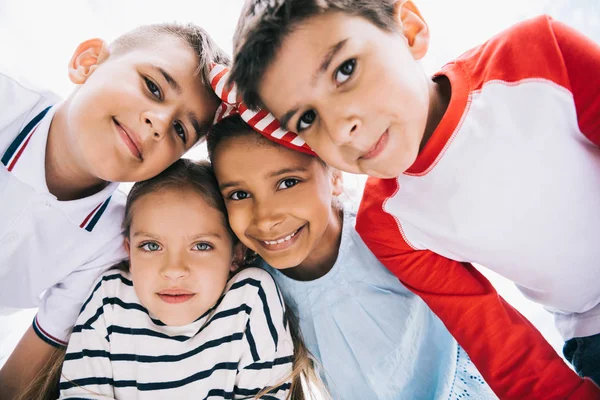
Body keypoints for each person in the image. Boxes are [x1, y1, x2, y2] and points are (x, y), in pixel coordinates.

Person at [225, 1, 600, 398]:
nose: (340, 128)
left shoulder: (537, 53)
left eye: (345, 70)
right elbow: (501, 346)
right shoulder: (388, 224)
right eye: (306, 119)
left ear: (408, 29)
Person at [0, 22, 228, 397]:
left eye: (180, 131)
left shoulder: (111, 242)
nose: (159, 123)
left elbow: (16, 383)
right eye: (153, 87)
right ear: (88, 63)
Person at [207, 114, 497, 399]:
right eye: (239, 195)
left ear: (334, 175)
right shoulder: (253, 286)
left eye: (288, 183)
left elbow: (480, 313)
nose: (266, 218)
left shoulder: (385, 230)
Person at [21, 159, 319, 399]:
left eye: (201, 246)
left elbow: (267, 394)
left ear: (236, 255)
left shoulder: (250, 296)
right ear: (129, 251)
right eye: (151, 246)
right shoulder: (110, 298)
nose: (174, 269)